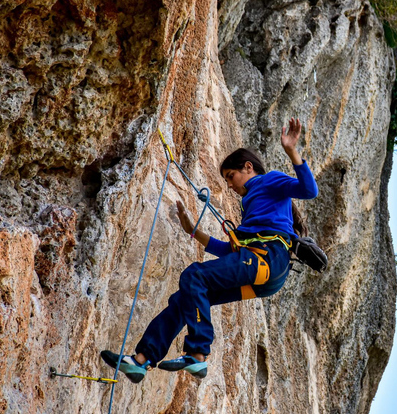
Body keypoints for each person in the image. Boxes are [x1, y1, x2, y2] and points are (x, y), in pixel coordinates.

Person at [101, 118, 318, 383]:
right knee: (185, 299)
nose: (229, 185)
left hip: (268, 259)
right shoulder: (251, 206)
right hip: (262, 273)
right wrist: (192, 230)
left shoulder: (269, 181)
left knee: (195, 275)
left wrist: (292, 152)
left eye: (231, 176)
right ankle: (141, 361)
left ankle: (198, 353)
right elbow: (230, 252)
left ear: (248, 167)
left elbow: (309, 190)